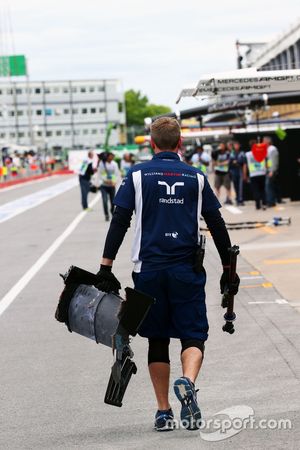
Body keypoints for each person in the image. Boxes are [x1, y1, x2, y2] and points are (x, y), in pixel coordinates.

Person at [95, 117, 240, 432]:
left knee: (157, 339)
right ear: (180, 144)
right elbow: (217, 224)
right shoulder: (197, 177)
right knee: (193, 335)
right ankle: (187, 382)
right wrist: (229, 270)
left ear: (151, 143)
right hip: (186, 270)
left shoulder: (136, 175)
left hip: (148, 271)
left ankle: (163, 412)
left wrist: (106, 267)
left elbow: (119, 220)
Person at [98, 152, 120, 221]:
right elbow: (100, 174)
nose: (111, 158)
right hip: (104, 185)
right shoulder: (102, 164)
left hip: (112, 185)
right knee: (104, 201)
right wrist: (105, 181)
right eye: (110, 156)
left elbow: (116, 174)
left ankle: (112, 211)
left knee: (113, 201)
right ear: (107, 157)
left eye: (112, 157)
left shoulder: (115, 164)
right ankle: (106, 214)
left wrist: (114, 182)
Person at [244, 144, 267, 210]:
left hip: (253, 174)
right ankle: (264, 204)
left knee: (255, 190)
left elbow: (245, 165)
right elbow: (266, 162)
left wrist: (245, 175)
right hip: (262, 173)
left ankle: (258, 205)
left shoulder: (247, 154)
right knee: (262, 190)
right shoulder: (262, 152)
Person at [263, 136, 281, 207]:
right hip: (268, 170)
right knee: (270, 186)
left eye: (264, 141)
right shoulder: (267, 149)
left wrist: (272, 171)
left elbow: (274, 160)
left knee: (268, 186)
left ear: (268, 141)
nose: (263, 142)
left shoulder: (272, 149)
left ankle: (271, 201)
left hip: (271, 171)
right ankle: (272, 200)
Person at [229, 141, 246, 206]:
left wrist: (244, 173)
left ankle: (240, 199)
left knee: (240, 186)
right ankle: (237, 198)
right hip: (233, 171)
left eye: (237, 145)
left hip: (240, 170)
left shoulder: (242, 153)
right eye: (235, 145)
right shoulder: (232, 153)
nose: (236, 146)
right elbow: (230, 162)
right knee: (235, 186)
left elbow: (243, 163)